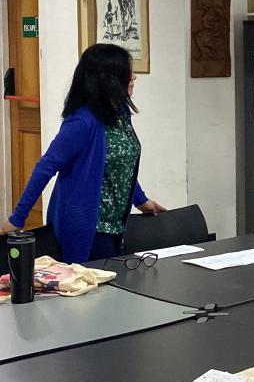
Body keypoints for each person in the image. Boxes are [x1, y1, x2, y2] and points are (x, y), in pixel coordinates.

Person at [1, 44, 165, 262]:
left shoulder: (121, 114)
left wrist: (141, 201)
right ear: (107, 79)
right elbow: (45, 167)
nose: (133, 76)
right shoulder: (82, 121)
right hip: (88, 226)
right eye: (127, 73)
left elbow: (119, 166)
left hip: (116, 225)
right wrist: (19, 217)